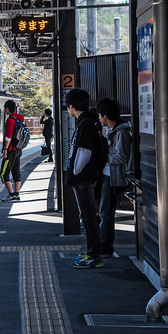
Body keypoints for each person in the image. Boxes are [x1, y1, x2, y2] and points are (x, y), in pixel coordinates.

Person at [66, 89, 107, 268]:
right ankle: (92, 252)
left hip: (83, 179)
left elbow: (83, 152)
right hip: (87, 178)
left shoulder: (85, 125)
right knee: (89, 215)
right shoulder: (90, 122)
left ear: (72, 106)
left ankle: (93, 255)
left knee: (88, 216)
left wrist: (74, 174)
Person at [96, 97, 133, 258]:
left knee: (106, 214)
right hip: (107, 176)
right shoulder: (110, 130)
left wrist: (105, 156)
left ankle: (105, 248)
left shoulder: (122, 131)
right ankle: (104, 246)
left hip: (113, 178)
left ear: (105, 115)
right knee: (104, 213)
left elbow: (122, 156)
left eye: (99, 114)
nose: (98, 117)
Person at [0, 100, 24, 202]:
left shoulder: (10, 120)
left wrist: (5, 149)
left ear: (7, 109)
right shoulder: (20, 119)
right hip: (18, 150)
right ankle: (17, 195)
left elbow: (9, 136)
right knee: (16, 172)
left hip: (10, 151)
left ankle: (11, 195)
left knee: (3, 173)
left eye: (5, 108)